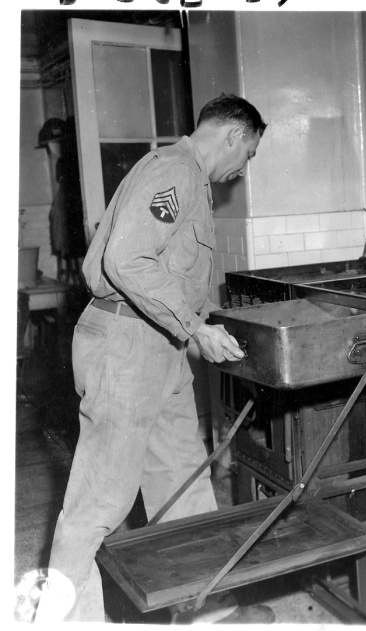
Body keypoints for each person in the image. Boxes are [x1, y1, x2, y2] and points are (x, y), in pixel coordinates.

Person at [34, 94, 267, 623]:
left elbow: (167, 274)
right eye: (249, 154)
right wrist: (194, 328)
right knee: (100, 499)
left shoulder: (191, 181)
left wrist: (199, 326)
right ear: (234, 135)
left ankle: (202, 608)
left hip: (160, 348)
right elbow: (126, 259)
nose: (242, 169)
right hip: (126, 347)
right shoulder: (175, 171)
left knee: (182, 478)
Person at [37, 117, 87, 284]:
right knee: (74, 257)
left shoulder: (74, 162)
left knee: (78, 257)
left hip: (76, 212)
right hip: (70, 213)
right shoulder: (64, 162)